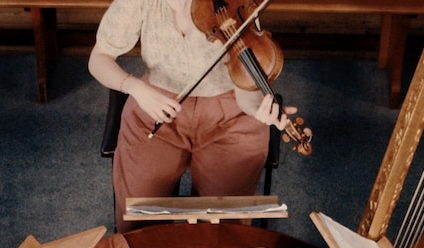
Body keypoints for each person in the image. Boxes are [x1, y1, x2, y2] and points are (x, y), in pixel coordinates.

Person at [87, 0, 303, 231]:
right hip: (156, 107)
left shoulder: (233, 5)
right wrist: (135, 88)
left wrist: (258, 110)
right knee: (139, 217)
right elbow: (98, 58)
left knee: (223, 225)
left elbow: (245, 92)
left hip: (230, 115)